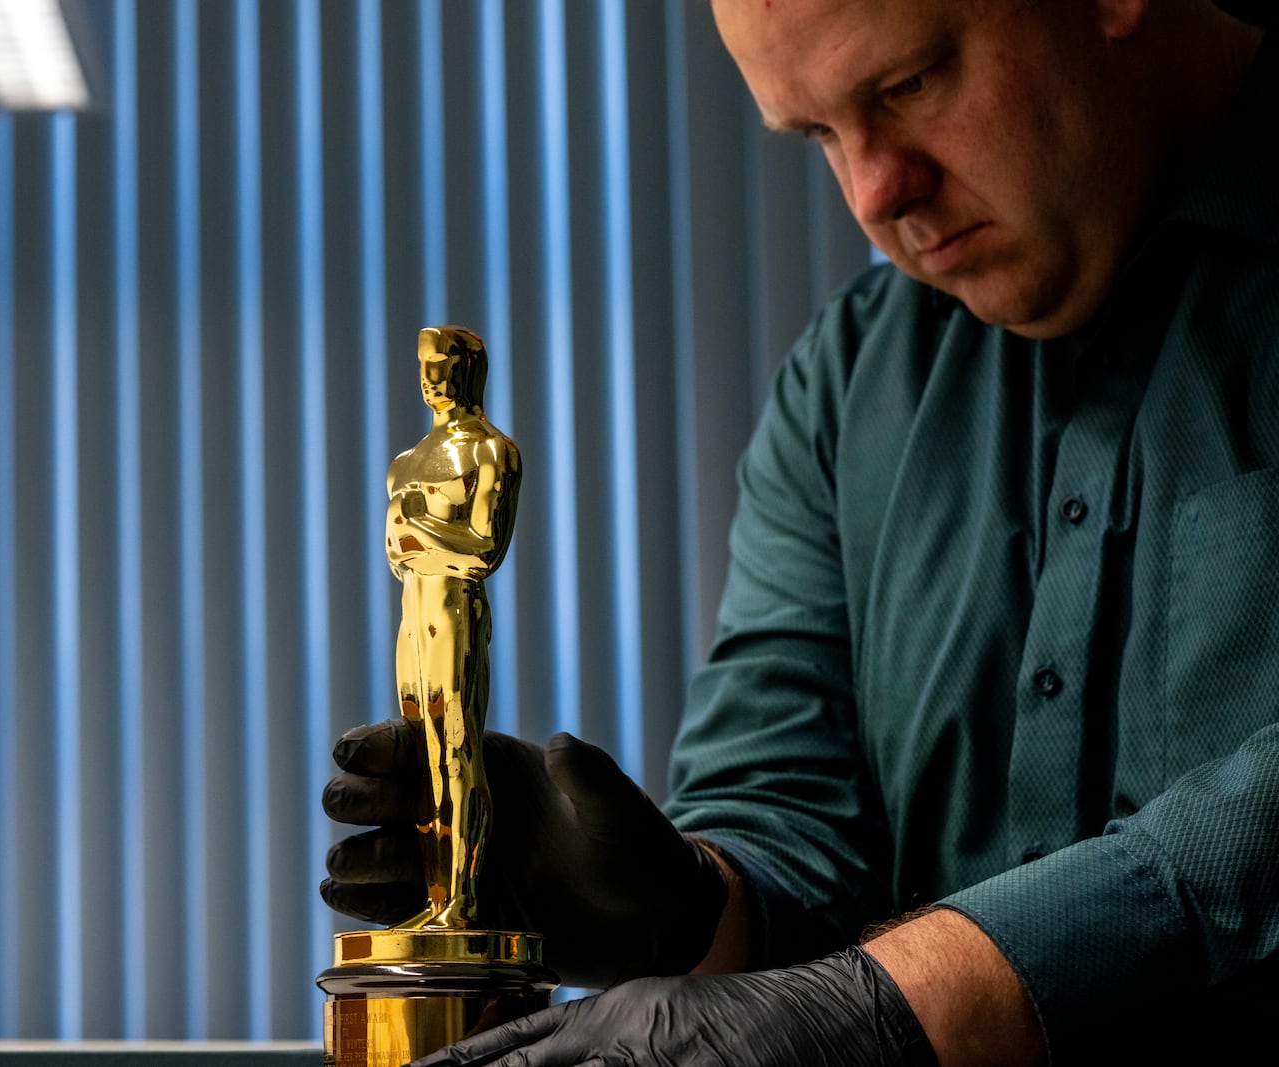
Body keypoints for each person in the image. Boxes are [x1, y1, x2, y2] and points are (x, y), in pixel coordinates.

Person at [320, 0, 1279, 1062]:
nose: (875, 193)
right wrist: (687, 903)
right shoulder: (850, 381)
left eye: (910, 83)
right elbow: (786, 800)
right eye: (818, 134)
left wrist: (916, 997)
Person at [384, 326, 522, 930]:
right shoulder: (406, 461)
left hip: (454, 614)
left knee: (456, 753)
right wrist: (417, 535)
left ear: (468, 370)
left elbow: (483, 551)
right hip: (413, 615)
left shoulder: (491, 452)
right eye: (423, 365)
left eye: (440, 365)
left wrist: (416, 528)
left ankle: (461, 903)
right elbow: (394, 553)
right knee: (420, 757)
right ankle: (434, 900)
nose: (429, 377)